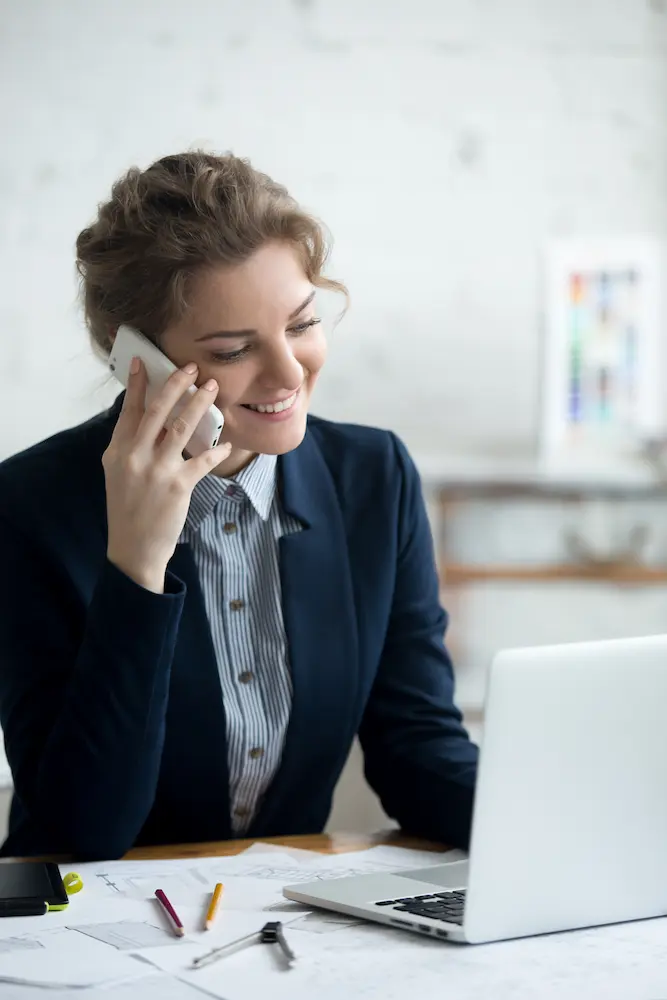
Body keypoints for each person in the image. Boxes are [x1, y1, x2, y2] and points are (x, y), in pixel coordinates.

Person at [0, 151, 478, 860]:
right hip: (85, 939)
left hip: (274, 928)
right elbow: (82, 832)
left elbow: (417, 748)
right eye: (232, 351)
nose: (289, 373)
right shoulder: (30, 506)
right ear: (135, 358)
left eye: (302, 324)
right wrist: (138, 562)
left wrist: (558, 827)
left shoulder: (375, 479)